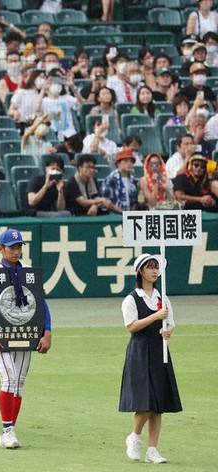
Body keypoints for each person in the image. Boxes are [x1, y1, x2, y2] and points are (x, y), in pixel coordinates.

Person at [0, 228, 52, 449]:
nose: (16, 251)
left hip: (24, 334)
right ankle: (7, 429)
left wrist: (47, 331)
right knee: (8, 379)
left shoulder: (29, 272)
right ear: (1, 249)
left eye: (19, 247)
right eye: (12, 247)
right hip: (1, 336)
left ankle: (9, 430)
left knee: (18, 384)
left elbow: (41, 303)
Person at [120, 254, 181, 465]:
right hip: (139, 351)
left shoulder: (162, 297)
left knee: (158, 404)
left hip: (159, 350)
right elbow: (131, 326)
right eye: (150, 267)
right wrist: (155, 317)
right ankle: (135, 437)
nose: (154, 271)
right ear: (140, 272)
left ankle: (152, 449)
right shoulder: (131, 299)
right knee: (145, 401)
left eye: (156, 268)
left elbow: (171, 322)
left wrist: (168, 331)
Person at [101, 149, 139, 214]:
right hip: (114, 215)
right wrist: (122, 212)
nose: (129, 163)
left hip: (129, 215)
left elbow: (134, 200)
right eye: (126, 161)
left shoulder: (132, 179)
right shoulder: (111, 179)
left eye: (131, 161)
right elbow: (106, 201)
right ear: (118, 163)